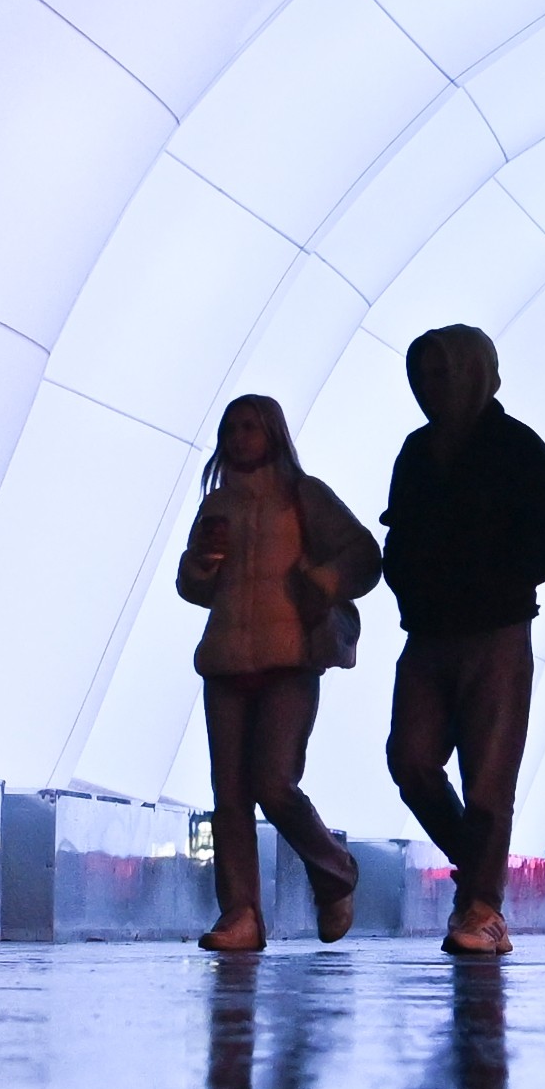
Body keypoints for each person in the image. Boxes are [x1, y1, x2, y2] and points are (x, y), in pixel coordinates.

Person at [380, 325, 545, 959]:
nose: (430, 387)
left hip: (496, 630)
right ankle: (481, 873)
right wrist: (409, 584)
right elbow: (399, 534)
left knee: (489, 778)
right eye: (422, 376)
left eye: (442, 373)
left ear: (475, 373)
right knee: (411, 760)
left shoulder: (517, 447)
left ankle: (483, 907)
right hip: (430, 631)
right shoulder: (417, 451)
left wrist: (496, 576)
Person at [176, 393, 381, 954]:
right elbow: (192, 587)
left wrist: (325, 581)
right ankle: (241, 913)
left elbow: (364, 555)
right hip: (225, 661)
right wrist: (202, 562)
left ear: (274, 433)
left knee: (272, 783)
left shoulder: (304, 496)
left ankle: (334, 871)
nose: (239, 437)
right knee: (229, 796)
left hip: (290, 659)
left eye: (251, 426)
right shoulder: (216, 505)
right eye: (231, 427)